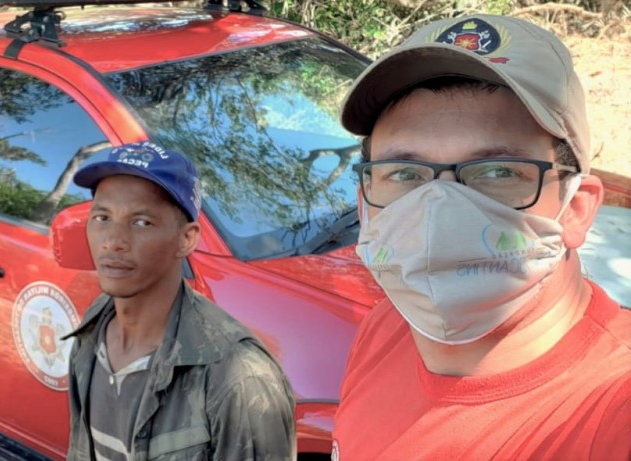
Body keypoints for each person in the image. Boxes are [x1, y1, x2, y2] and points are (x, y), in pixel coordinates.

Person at [333, 14, 631, 460]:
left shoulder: (615, 410)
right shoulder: (384, 328)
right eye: (405, 173)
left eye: (497, 172)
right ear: (364, 205)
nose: (439, 209)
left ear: (576, 208)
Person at [63, 142, 296, 460]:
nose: (113, 241)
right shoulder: (94, 327)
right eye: (102, 217)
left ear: (187, 239)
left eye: (141, 222)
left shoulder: (238, 378)